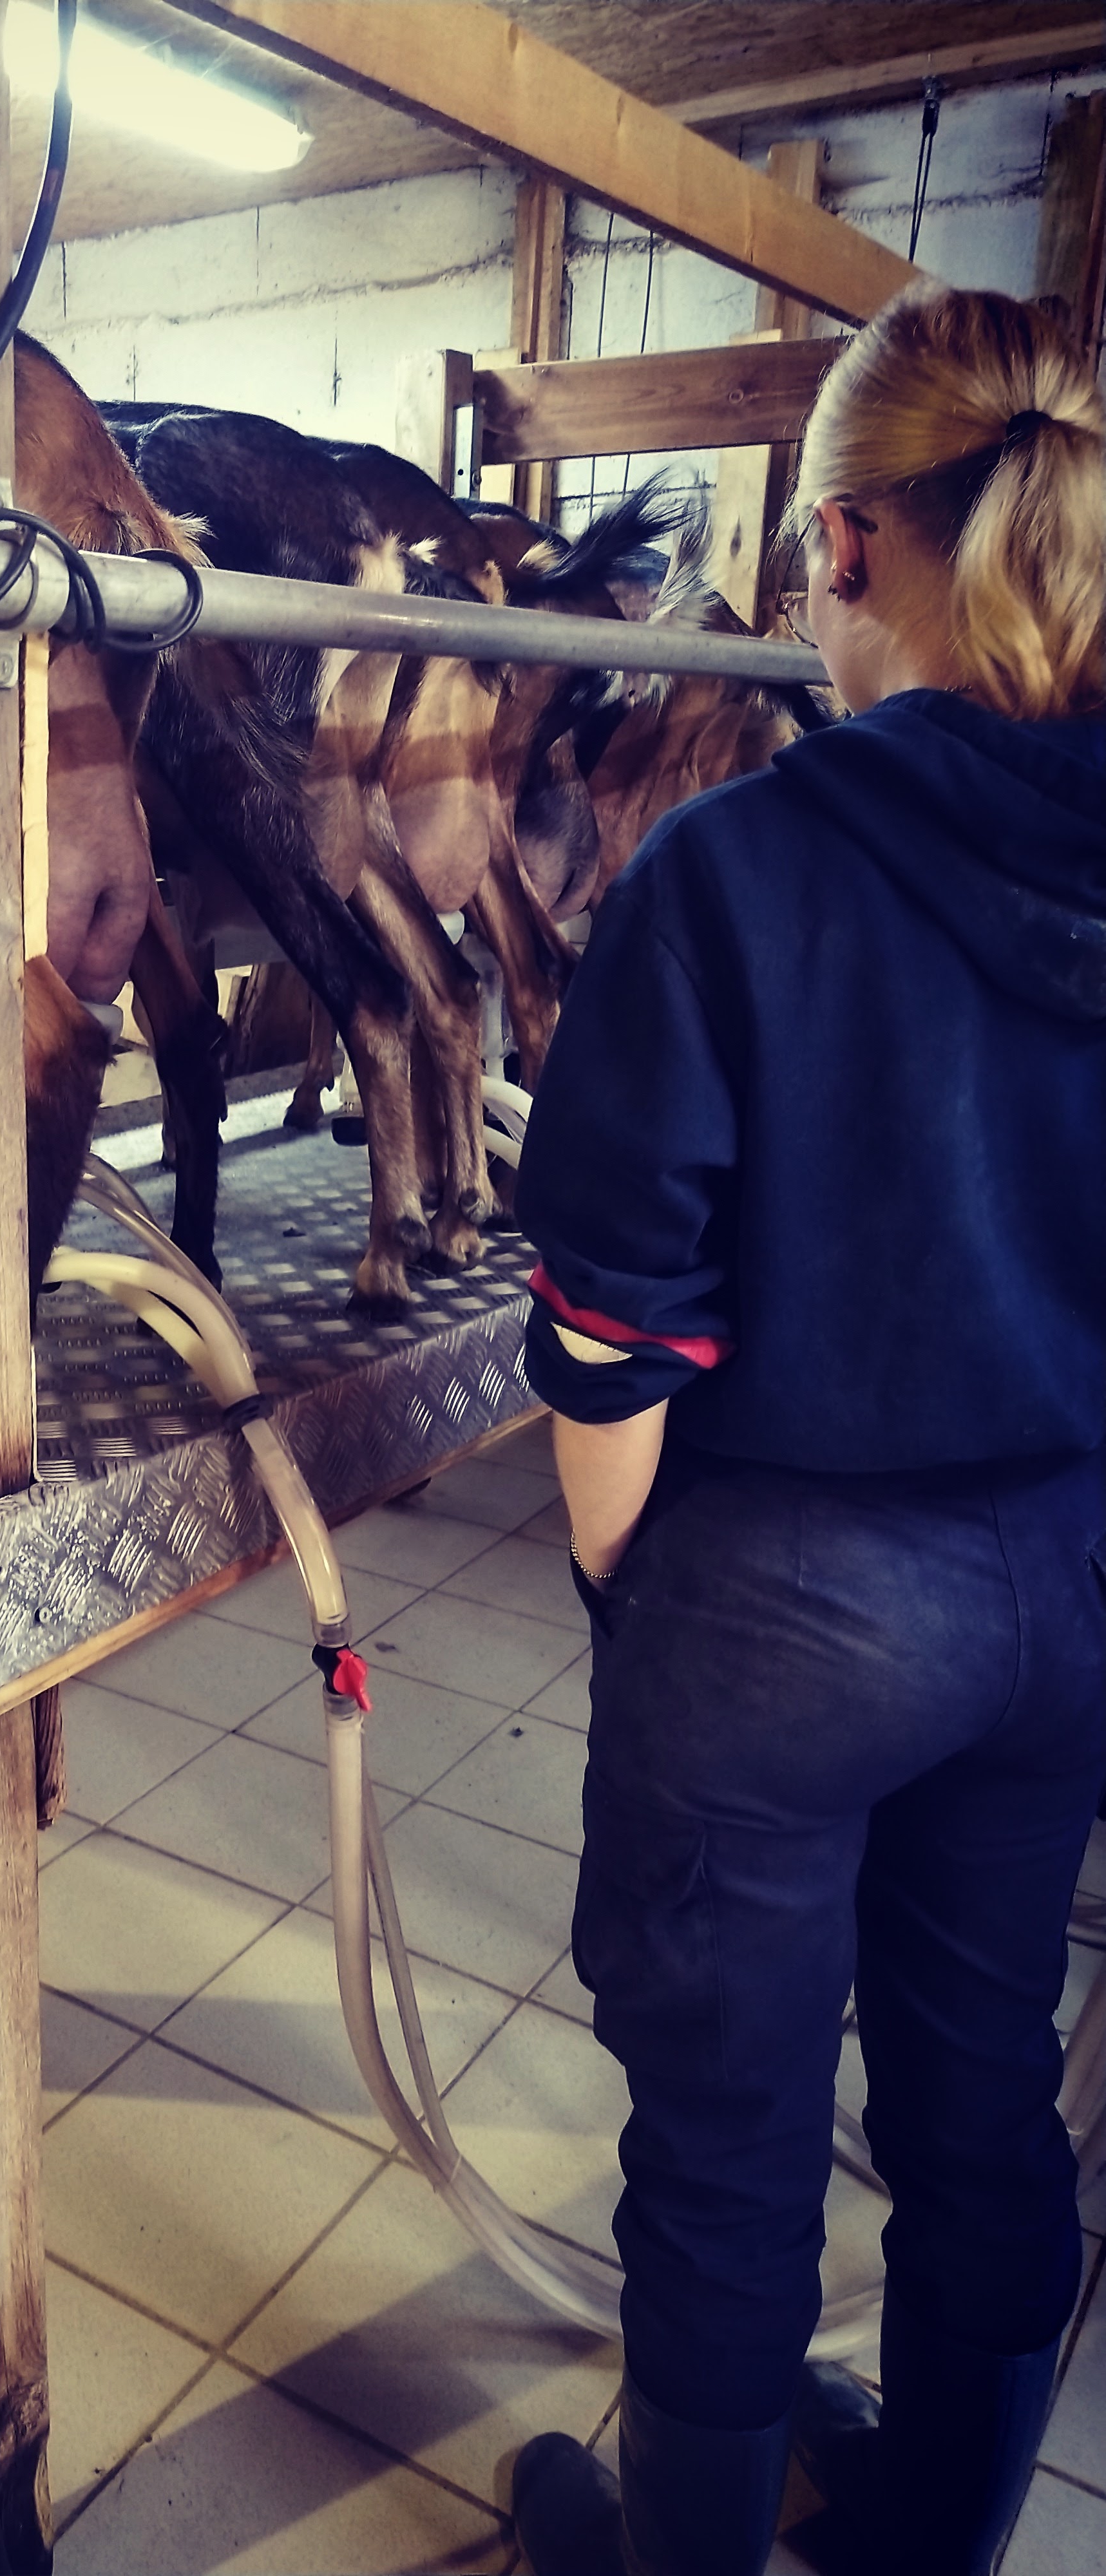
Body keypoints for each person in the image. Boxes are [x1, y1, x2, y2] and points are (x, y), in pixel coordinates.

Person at [503, 284, 1106, 2576]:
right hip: (1067, 1586)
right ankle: (925, 2542)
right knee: (984, 2092)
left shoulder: (734, 870)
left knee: (730, 2146)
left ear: (841, 545)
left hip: (782, 1603)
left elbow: (607, 1330)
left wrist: (631, 1580)